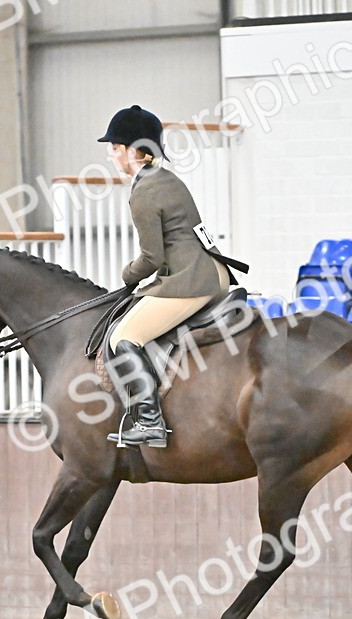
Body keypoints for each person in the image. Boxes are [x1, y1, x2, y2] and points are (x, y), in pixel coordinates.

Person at [98, 104, 233, 449]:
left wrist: (127, 274)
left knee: (124, 337)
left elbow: (151, 257)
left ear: (135, 152)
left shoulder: (144, 191)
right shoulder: (167, 179)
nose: (112, 156)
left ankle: (148, 421)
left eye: (115, 148)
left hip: (189, 280)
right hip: (211, 271)